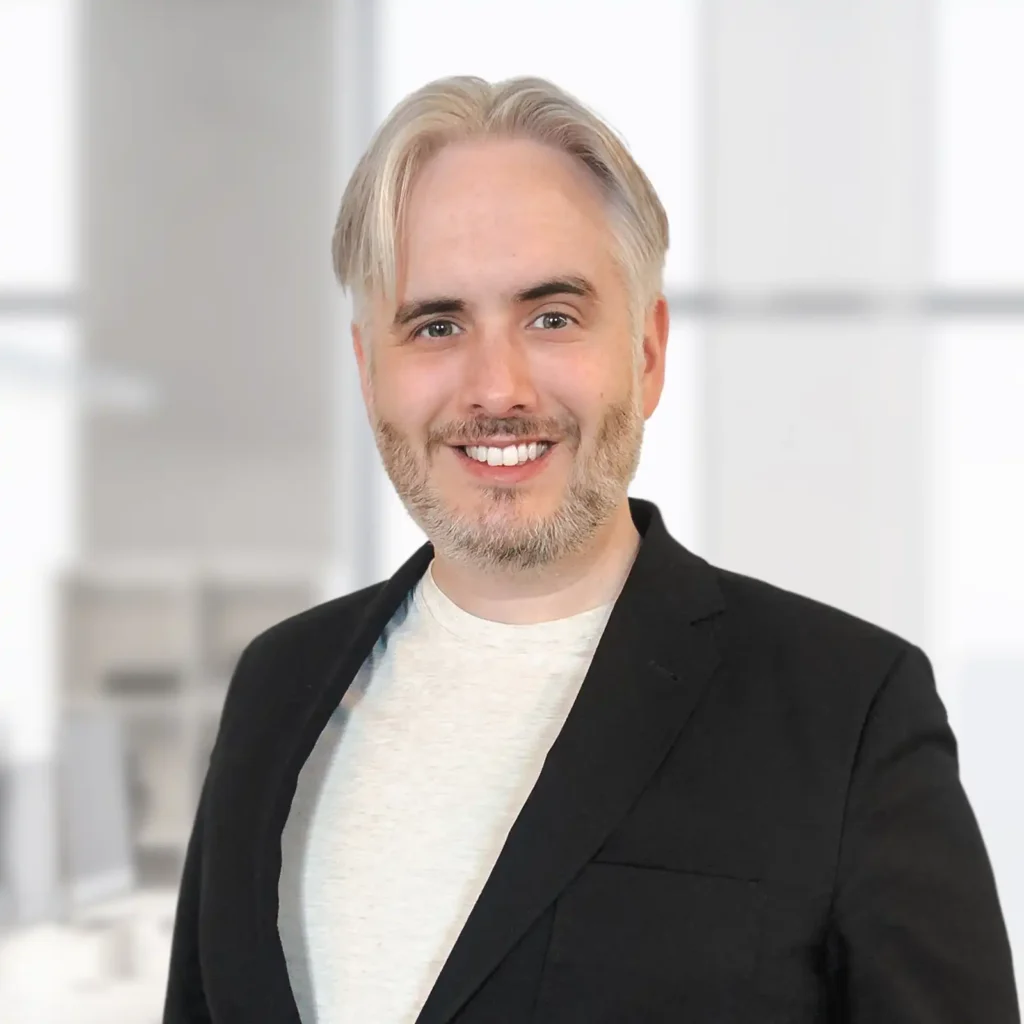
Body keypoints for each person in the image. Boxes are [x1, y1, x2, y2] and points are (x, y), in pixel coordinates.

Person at [163, 76, 1019, 1024]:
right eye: (437, 324)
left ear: (648, 351)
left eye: (553, 316)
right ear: (370, 370)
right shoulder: (277, 685)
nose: (497, 387)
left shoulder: (847, 707)